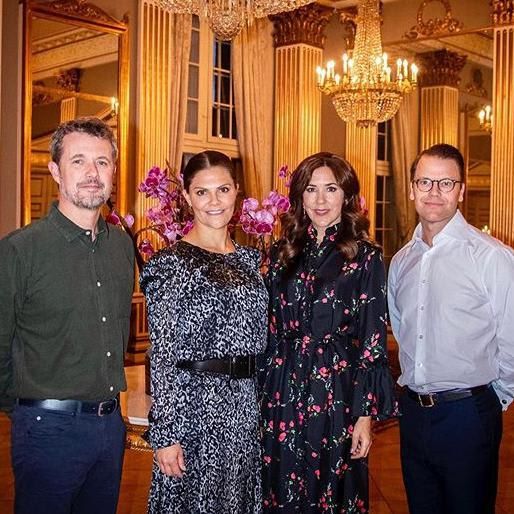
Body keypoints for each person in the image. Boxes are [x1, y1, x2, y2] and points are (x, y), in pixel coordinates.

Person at [0, 117, 135, 514]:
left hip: (110, 427)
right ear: (56, 170)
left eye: (103, 162)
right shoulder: (20, 251)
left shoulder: (121, 247)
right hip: (47, 430)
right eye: (79, 161)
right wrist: (28, 410)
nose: (93, 174)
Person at [260, 152, 398, 513]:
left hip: (337, 390)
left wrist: (364, 416)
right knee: (281, 487)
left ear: (346, 196)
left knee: (334, 489)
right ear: (299, 198)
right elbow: (269, 332)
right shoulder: (280, 253)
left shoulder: (366, 257)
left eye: (330, 189)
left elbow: (372, 343)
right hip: (283, 389)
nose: (320, 200)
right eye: (311, 189)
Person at [388, 143, 514, 514]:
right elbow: (402, 329)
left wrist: (492, 399)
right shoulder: (401, 262)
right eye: (425, 181)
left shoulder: (491, 257)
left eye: (446, 183)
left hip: (467, 414)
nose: (434, 192)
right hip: (412, 415)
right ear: (411, 189)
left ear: (461, 191)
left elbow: (511, 338)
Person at [140, 150, 268, 513]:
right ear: (186, 196)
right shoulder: (170, 264)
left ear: (237, 192)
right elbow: (163, 354)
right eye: (202, 192)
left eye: (223, 190)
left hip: (243, 406)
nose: (214, 201)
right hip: (195, 407)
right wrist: (166, 433)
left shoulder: (249, 260)